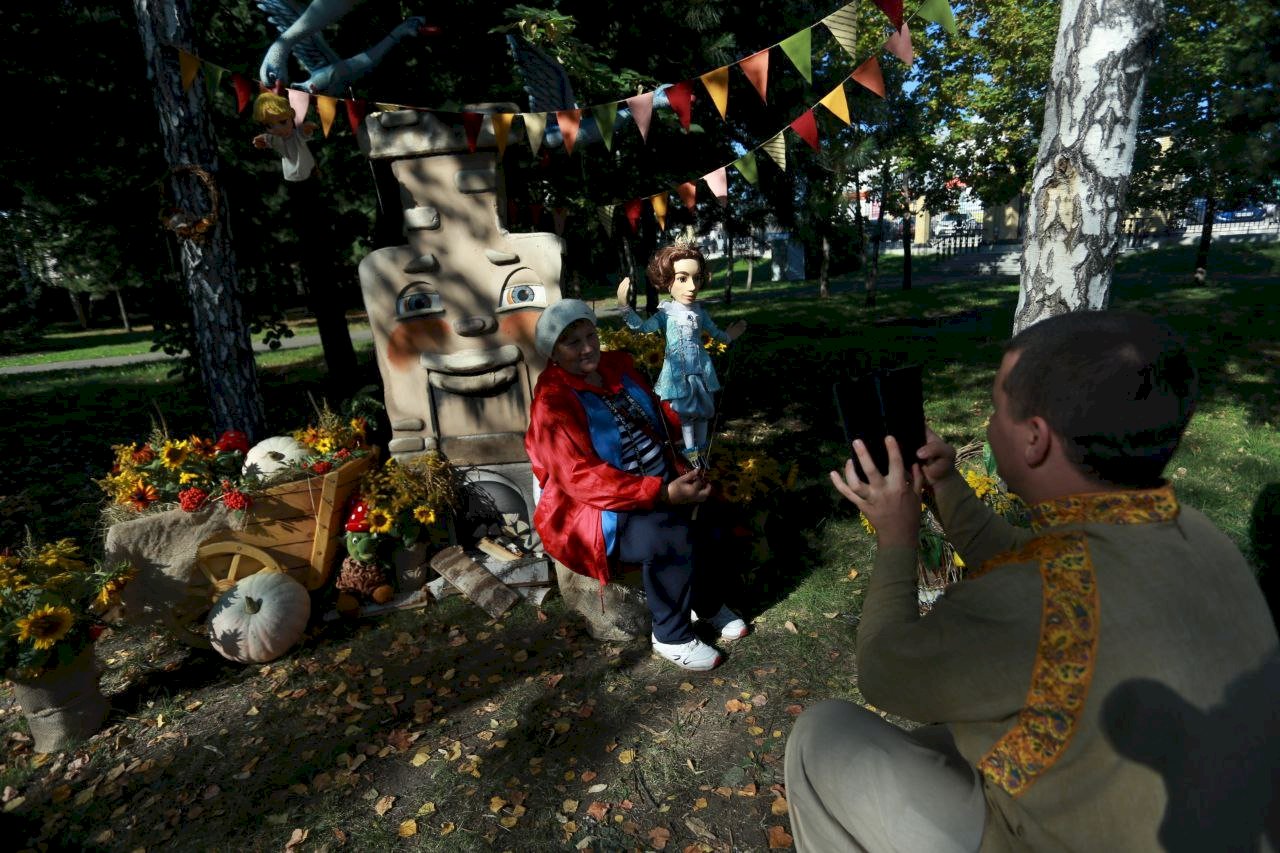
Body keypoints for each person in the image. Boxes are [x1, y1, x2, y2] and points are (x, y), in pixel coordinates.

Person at [784, 310, 1278, 852]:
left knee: (822, 735)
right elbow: (1037, 562)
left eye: (997, 410)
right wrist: (946, 485)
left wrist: (895, 539)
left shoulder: (1025, 605)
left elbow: (884, 671)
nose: (988, 425)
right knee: (941, 739)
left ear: (1036, 439)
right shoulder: (1194, 533)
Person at [525, 299, 748, 671]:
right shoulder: (553, 402)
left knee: (709, 511)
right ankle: (671, 636)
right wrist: (660, 493)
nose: (587, 347)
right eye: (572, 342)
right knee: (667, 531)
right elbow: (581, 478)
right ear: (553, 352)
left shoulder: (617, 367)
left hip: (657, 482)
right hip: (597, 510)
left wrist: (682, 405)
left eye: (590, 335)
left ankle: (705, 603)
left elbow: (655, 413)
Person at [615, 243, 746, 468]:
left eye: (697, 278)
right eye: (683, 279)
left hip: (701, 370)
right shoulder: (666, 313)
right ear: (667, 281)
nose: (692, 286)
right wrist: (624, 307)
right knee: (685, 416)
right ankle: (691, 454)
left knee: (703, 412)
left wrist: (729, 336)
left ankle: (702, 453)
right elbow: (643, 328)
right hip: (678, 373)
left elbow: (716, 334)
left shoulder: (699, 312)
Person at [252, 92, 317, 182]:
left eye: (283, 122)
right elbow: (268, 139)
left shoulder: (295, 135)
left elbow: (302, 134)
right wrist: (261, 140)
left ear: (291, 115)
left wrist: (307, 129)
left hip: (306, 168)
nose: (278, 130)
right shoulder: (276, 139)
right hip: (291, 174)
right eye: (269, 126)